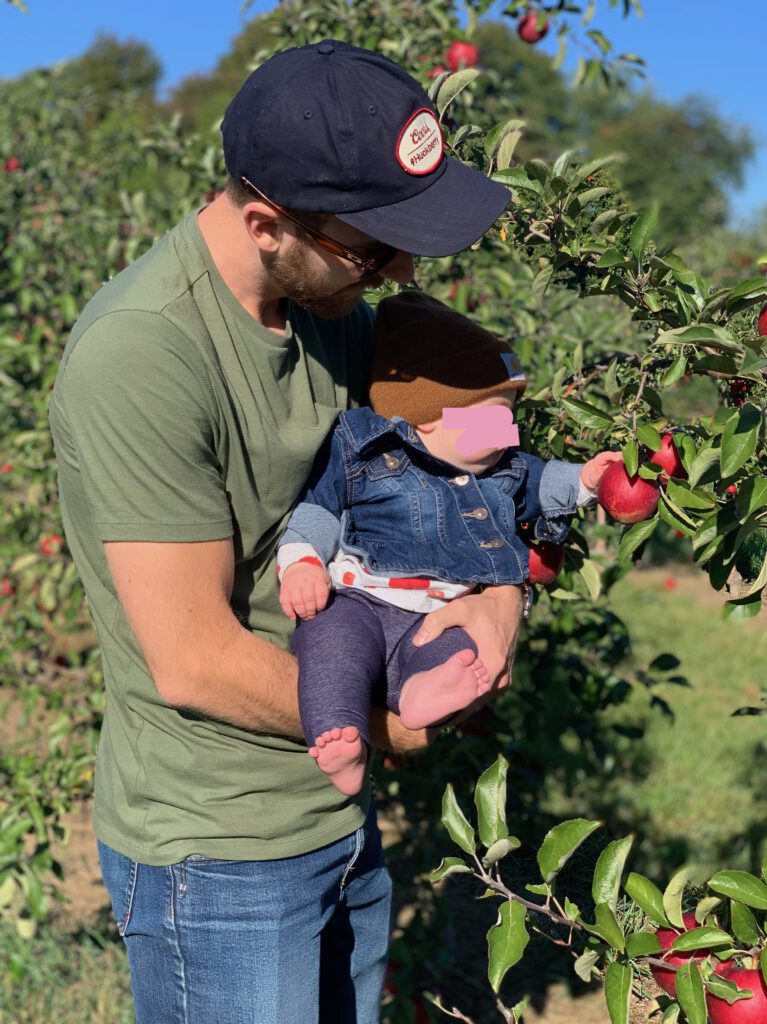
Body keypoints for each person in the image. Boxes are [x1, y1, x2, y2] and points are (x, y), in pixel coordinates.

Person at [49, 38, 526, 1024]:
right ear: (267, 222)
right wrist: (398, 725)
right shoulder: (144, 355)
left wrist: (493, 601)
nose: (399, 268)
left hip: (336, 814)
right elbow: (192, 658)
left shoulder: (332, 304)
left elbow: (453, 469)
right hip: (220, 857)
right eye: (373, 243)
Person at [277, 292, 622, 795]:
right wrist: (302, 560)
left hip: (438, 614)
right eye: (492, 419)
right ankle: (341, 736)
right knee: (329, 649)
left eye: (509, 416)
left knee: (459, 655)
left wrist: (589, 481)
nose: (509, 433)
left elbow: (548, 484)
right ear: (430, 414)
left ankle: (422, 693)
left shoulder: (504, 469)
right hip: (357, 600)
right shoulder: (366, 447)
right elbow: (320, 504)